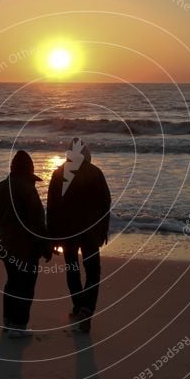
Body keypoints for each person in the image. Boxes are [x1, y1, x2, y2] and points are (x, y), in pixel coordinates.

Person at [46, 137, 111, 333]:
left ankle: (79, 306)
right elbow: (105, 205)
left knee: (72, 269)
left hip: (67, 233)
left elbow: (52, 208)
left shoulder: (59, 174)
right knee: (93, 272)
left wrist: (52, 237)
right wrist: (103, 230)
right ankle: (86, 309)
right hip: (90, 232)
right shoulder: (96, 173)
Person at [0, 150, 52, 337]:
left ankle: (8, 322)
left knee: (12, 283)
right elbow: (37, 223)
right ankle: (19, 326)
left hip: (5, 245)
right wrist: (46, 247)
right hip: (26, 248)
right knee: (25, 286)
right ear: (28, 170)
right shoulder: (27, 189)